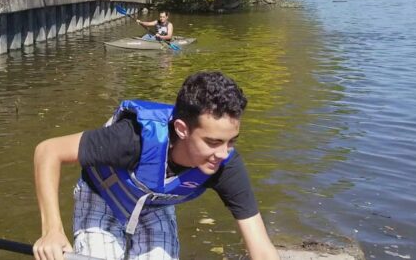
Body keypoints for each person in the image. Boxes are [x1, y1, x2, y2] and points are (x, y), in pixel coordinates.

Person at [32, 71, 280, 260]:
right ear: (182, 129)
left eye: (231, 141)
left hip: (155, 206)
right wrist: (52, 230)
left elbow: (261, 247)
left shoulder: (226, 165)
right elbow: (48, 151)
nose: (222, 153)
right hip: (103, 197)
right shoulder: (131, 139)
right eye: (213, 142)